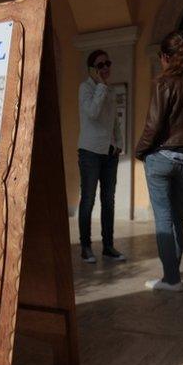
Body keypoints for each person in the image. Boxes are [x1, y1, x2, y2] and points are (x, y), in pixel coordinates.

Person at [135, 31, 183, 292]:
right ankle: (173, 273)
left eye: (161, 57)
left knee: (163, 219)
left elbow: (154, 124)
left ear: (167, 57)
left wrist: (141, 151)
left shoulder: (165, 83)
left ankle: (171, 279)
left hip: (162, 157)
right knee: (177, 217)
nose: (160, 62)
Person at [77, 49, 126, 263]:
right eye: (101, 65)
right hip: (89, 152)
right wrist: (100, 87)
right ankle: (86, 247)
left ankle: (108, 246)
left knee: (109, 201)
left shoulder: (110, 90)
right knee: (88, 200)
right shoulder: (85, 88)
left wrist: (119, 143)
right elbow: (93, 113)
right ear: (92, 70)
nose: (106, 68)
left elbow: (114, 120)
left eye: (108, 63)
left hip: (109, 152)